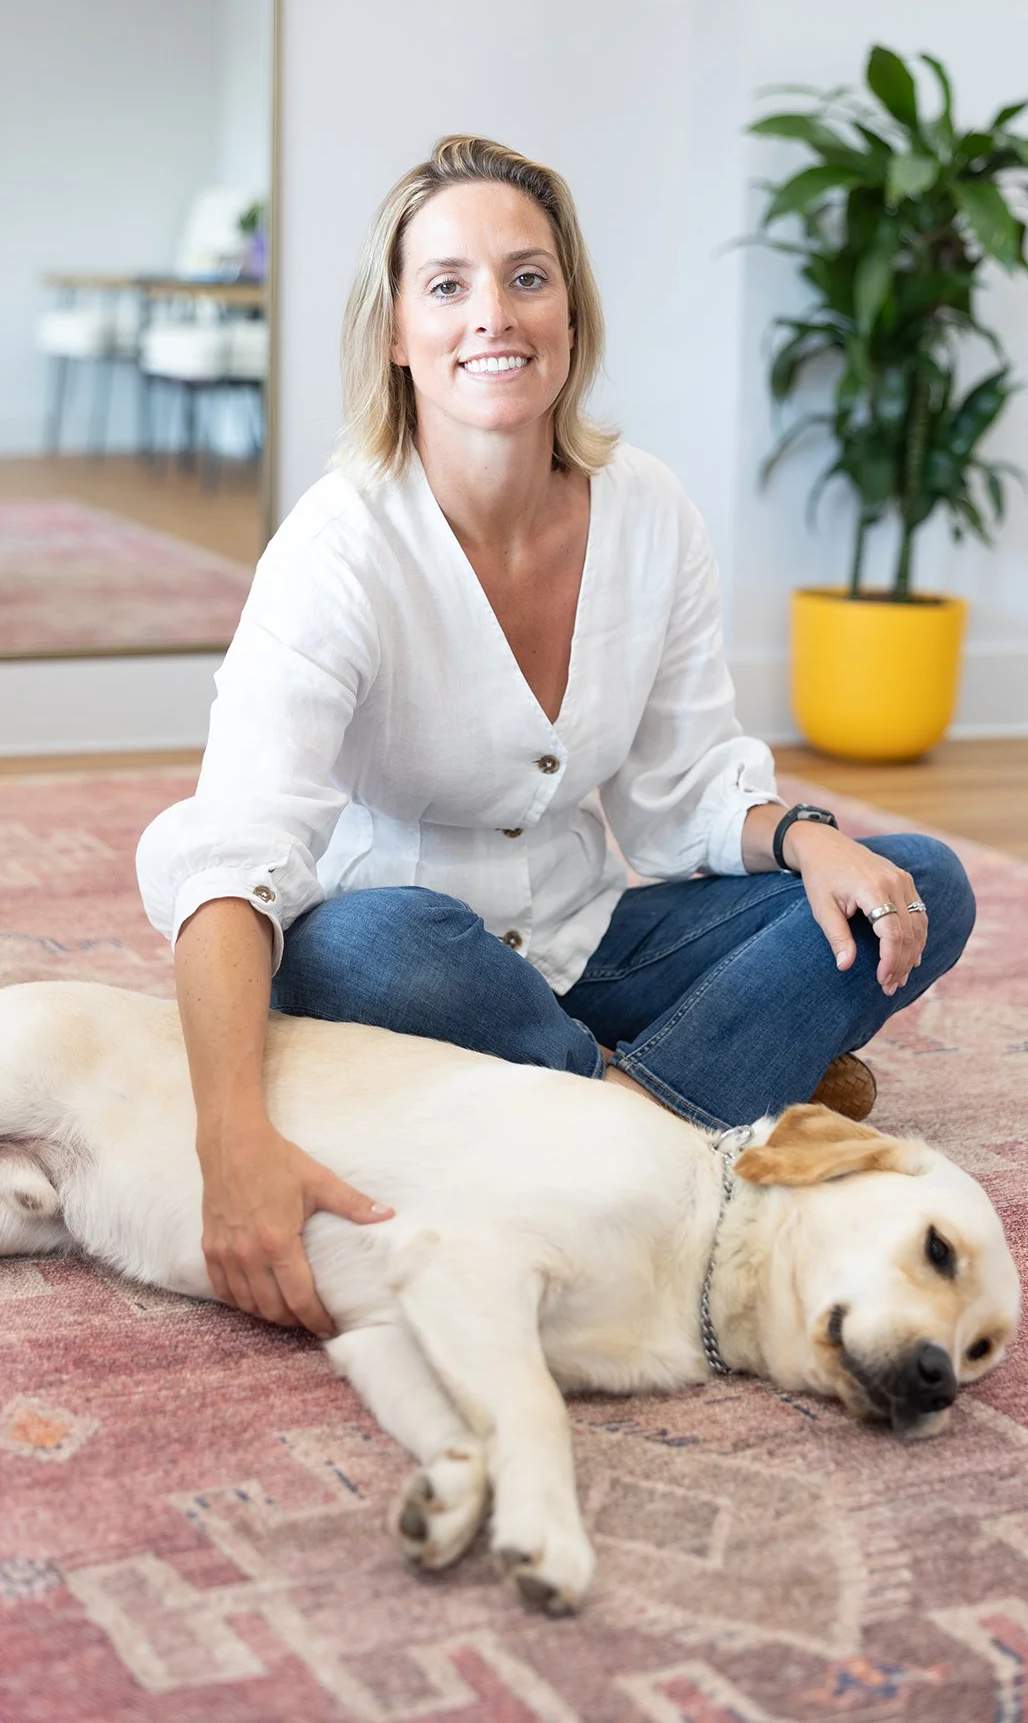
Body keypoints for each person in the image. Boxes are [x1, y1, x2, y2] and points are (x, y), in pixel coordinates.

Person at [137, 135, 975, 1343]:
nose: (495, 315)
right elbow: (233, 850)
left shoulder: (650, 511)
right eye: (449, 285)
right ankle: (711, 1090)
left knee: (920, 888)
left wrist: (805, 837)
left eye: (528, 277)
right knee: (358, 946)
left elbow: (683, 795)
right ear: (395, 333)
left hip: (591, 940)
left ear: (570, 312)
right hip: (417, 956)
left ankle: (619, 1106)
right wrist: (231, 1142)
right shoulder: (337, 549)